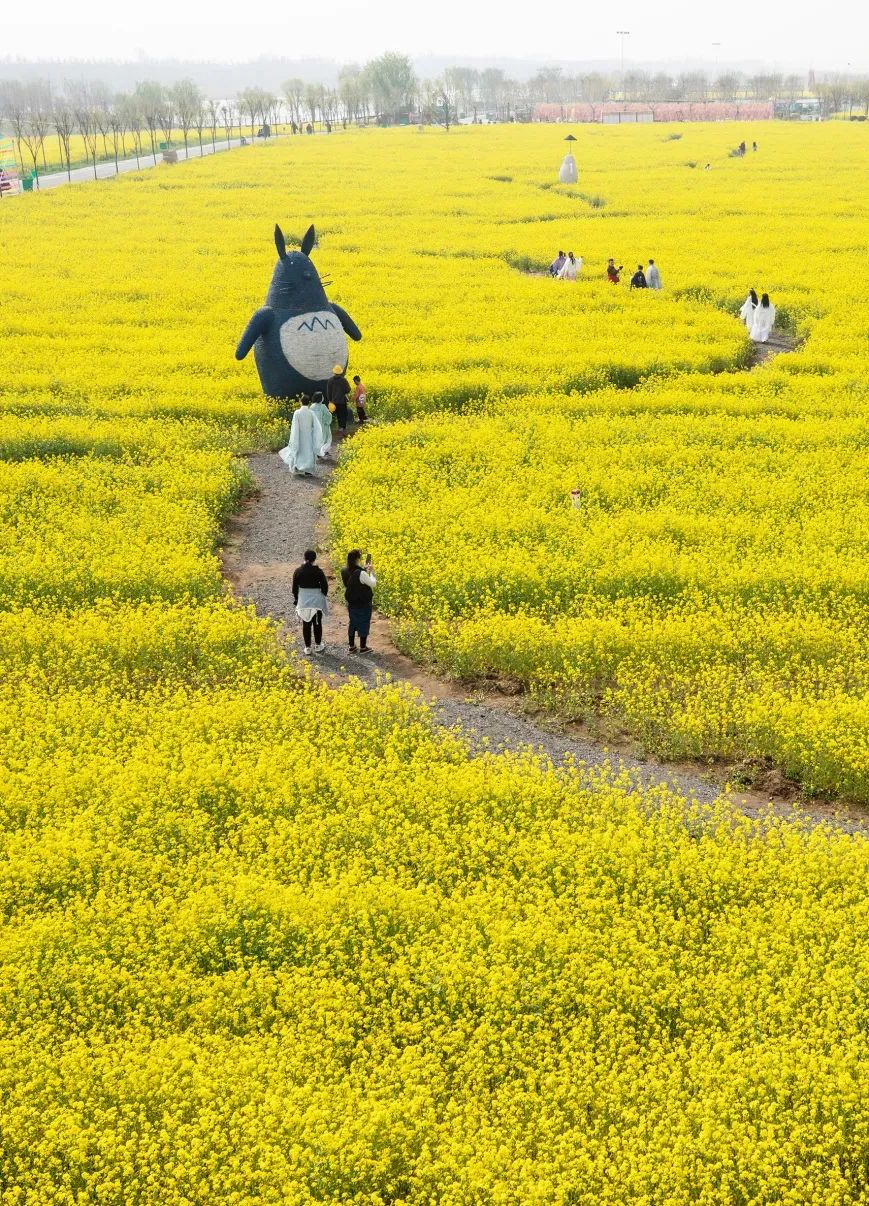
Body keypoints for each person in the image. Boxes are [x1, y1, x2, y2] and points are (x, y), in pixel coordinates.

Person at [292, 549, 329, 655]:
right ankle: (318, 645)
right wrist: (323, 595)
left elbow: (294, 588)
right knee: (317, 623)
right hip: (316, 601)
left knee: (306, 624)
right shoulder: (318, 571)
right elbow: (325, 587)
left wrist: (296, 599)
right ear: (315, 559)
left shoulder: (298, 571)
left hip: (303, 601)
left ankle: (307, 648)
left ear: (304, 558)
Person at [341, 549, 376, 654]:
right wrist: (372, 572)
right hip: (363, 602)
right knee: (364, 622)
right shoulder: (361, 573)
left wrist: (363, 570)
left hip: (352, 602)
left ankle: (351, 647)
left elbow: (350, 583)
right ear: (357, 559)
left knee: (353, 623)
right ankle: (363, 647)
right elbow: (372, 583)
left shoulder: (344, 570)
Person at [278, 395, 319, 476]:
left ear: (300, 402)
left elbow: (294, 426)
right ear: (309, 403)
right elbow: (316, 426)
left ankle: (297, 466)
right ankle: (308, 470)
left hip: (299, 435)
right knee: (309, 451)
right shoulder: (311, 413)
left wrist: (294, 436)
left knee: (299, 451)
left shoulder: (297, 413)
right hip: (309, 436)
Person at [326, 365, 352, 431]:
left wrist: (330, 400)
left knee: (337, 415)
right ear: (340, 372)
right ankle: (342, 427)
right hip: (342, 401)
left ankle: (338, 427)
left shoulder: (330, 380)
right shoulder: (344, 380)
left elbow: (328, 392)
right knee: (343, 414)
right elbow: (348, 389)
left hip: (334, 402)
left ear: (334, 372)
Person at [309, 390, 333, 457]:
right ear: (320, 398)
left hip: (315, 426)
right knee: (325, 438)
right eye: (322, 396)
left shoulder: (311, 406)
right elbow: (328, 415)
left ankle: (317, 452)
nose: (323, 397)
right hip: (323, 426)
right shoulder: (323, 406)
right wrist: (329, 415)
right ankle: (324, 451)